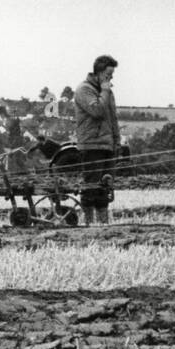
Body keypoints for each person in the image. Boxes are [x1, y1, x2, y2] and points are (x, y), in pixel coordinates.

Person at [73, 54, 120, 225]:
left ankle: (103, 225)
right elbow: (97, 111)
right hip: (92, 144)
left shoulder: (107, 92)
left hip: (107, 146)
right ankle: (88, 223)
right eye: (108, 74)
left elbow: (112, 119)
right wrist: (106, 90)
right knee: (91, 186)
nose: (111, 78)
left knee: (104, 187)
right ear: (99, 73)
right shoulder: (84, 90)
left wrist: (117, 141)